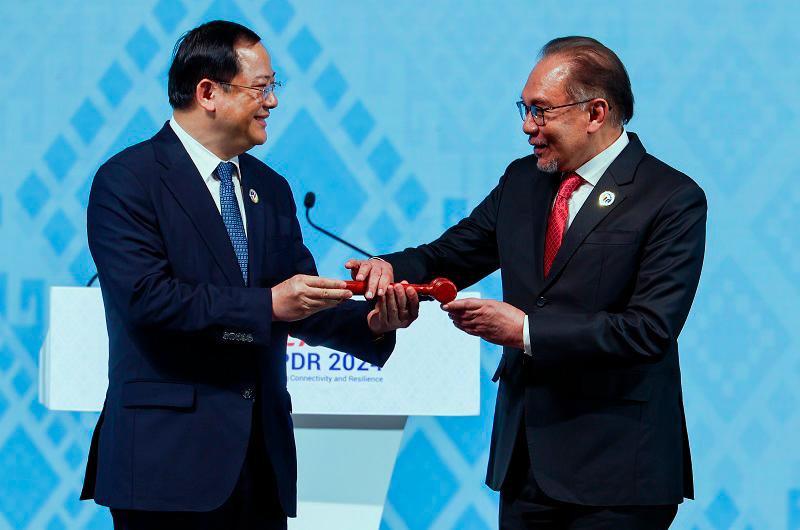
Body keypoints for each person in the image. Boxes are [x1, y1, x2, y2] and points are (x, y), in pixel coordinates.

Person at [348, 36, 706, 529]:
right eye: (524, 108)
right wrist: (391, 267)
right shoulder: (523, 181)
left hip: (620, 472)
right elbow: (449, 254)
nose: (526, 126)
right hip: (527, 465)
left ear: (595, 112)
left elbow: (648, 330)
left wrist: (526, 332)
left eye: (540, 111)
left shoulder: (670, 198)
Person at [80, 20, 418, 530]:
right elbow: (148, 300)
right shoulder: (128, 180)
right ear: (208, 92)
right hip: (164, 465)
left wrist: (373, 321)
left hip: (260, 462)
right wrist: (267, 307)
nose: (273, 102)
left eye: (273, 87)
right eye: (262, 88)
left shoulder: (270, 187)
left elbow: (297, 302)